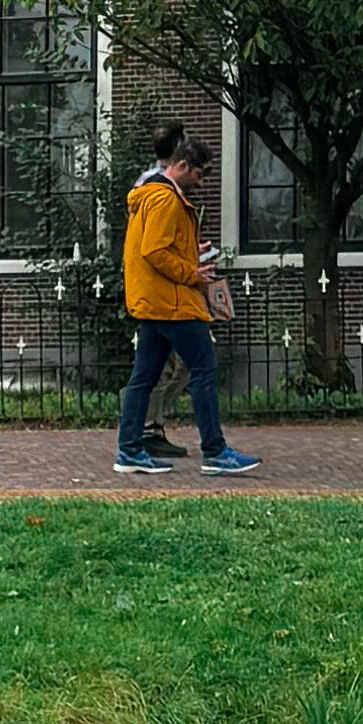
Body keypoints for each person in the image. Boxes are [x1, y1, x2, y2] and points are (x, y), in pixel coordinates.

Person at [115, 119, 256, 475]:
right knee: (204, 370)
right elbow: (154, 250)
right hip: (173, 303)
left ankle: (129, 451)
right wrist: (191, 273)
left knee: (143, 378)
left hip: (153, 301)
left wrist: (190, 252)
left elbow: (157, 245)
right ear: (181, 165)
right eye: (199, 174)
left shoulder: (149, 194)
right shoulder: (165, 198)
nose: (201, 182)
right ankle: (215, 452)